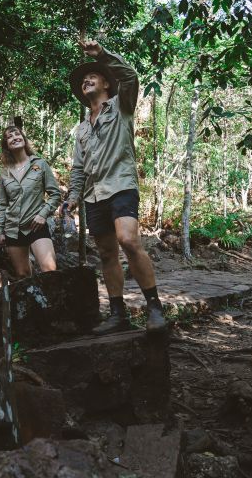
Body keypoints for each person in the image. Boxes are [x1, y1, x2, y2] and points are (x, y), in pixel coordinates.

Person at [64, 39, 167, 334]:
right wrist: (73, 196)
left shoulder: (121, 106)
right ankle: (118, 313)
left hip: (121, 184)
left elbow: (131, 77)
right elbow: (79, 167)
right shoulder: (82, 128)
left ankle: (155, 308)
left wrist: (103, 55)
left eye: (92, 77)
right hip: (94, 194)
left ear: (107, 84)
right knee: (107, 254)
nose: (86, 81)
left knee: (128, 240)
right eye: (83, 80)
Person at [0, 125, 61, 277]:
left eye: (17, 134)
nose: (14, 137)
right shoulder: (4, 172)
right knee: (23, 275)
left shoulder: (40, 164)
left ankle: (53, 301)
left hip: (36, 225)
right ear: (6, 145)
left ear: (23, 139)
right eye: (9, 137)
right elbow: (3, 205)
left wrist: (43, 214)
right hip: (13, 228)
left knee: (49, 269)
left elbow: (55, 194)